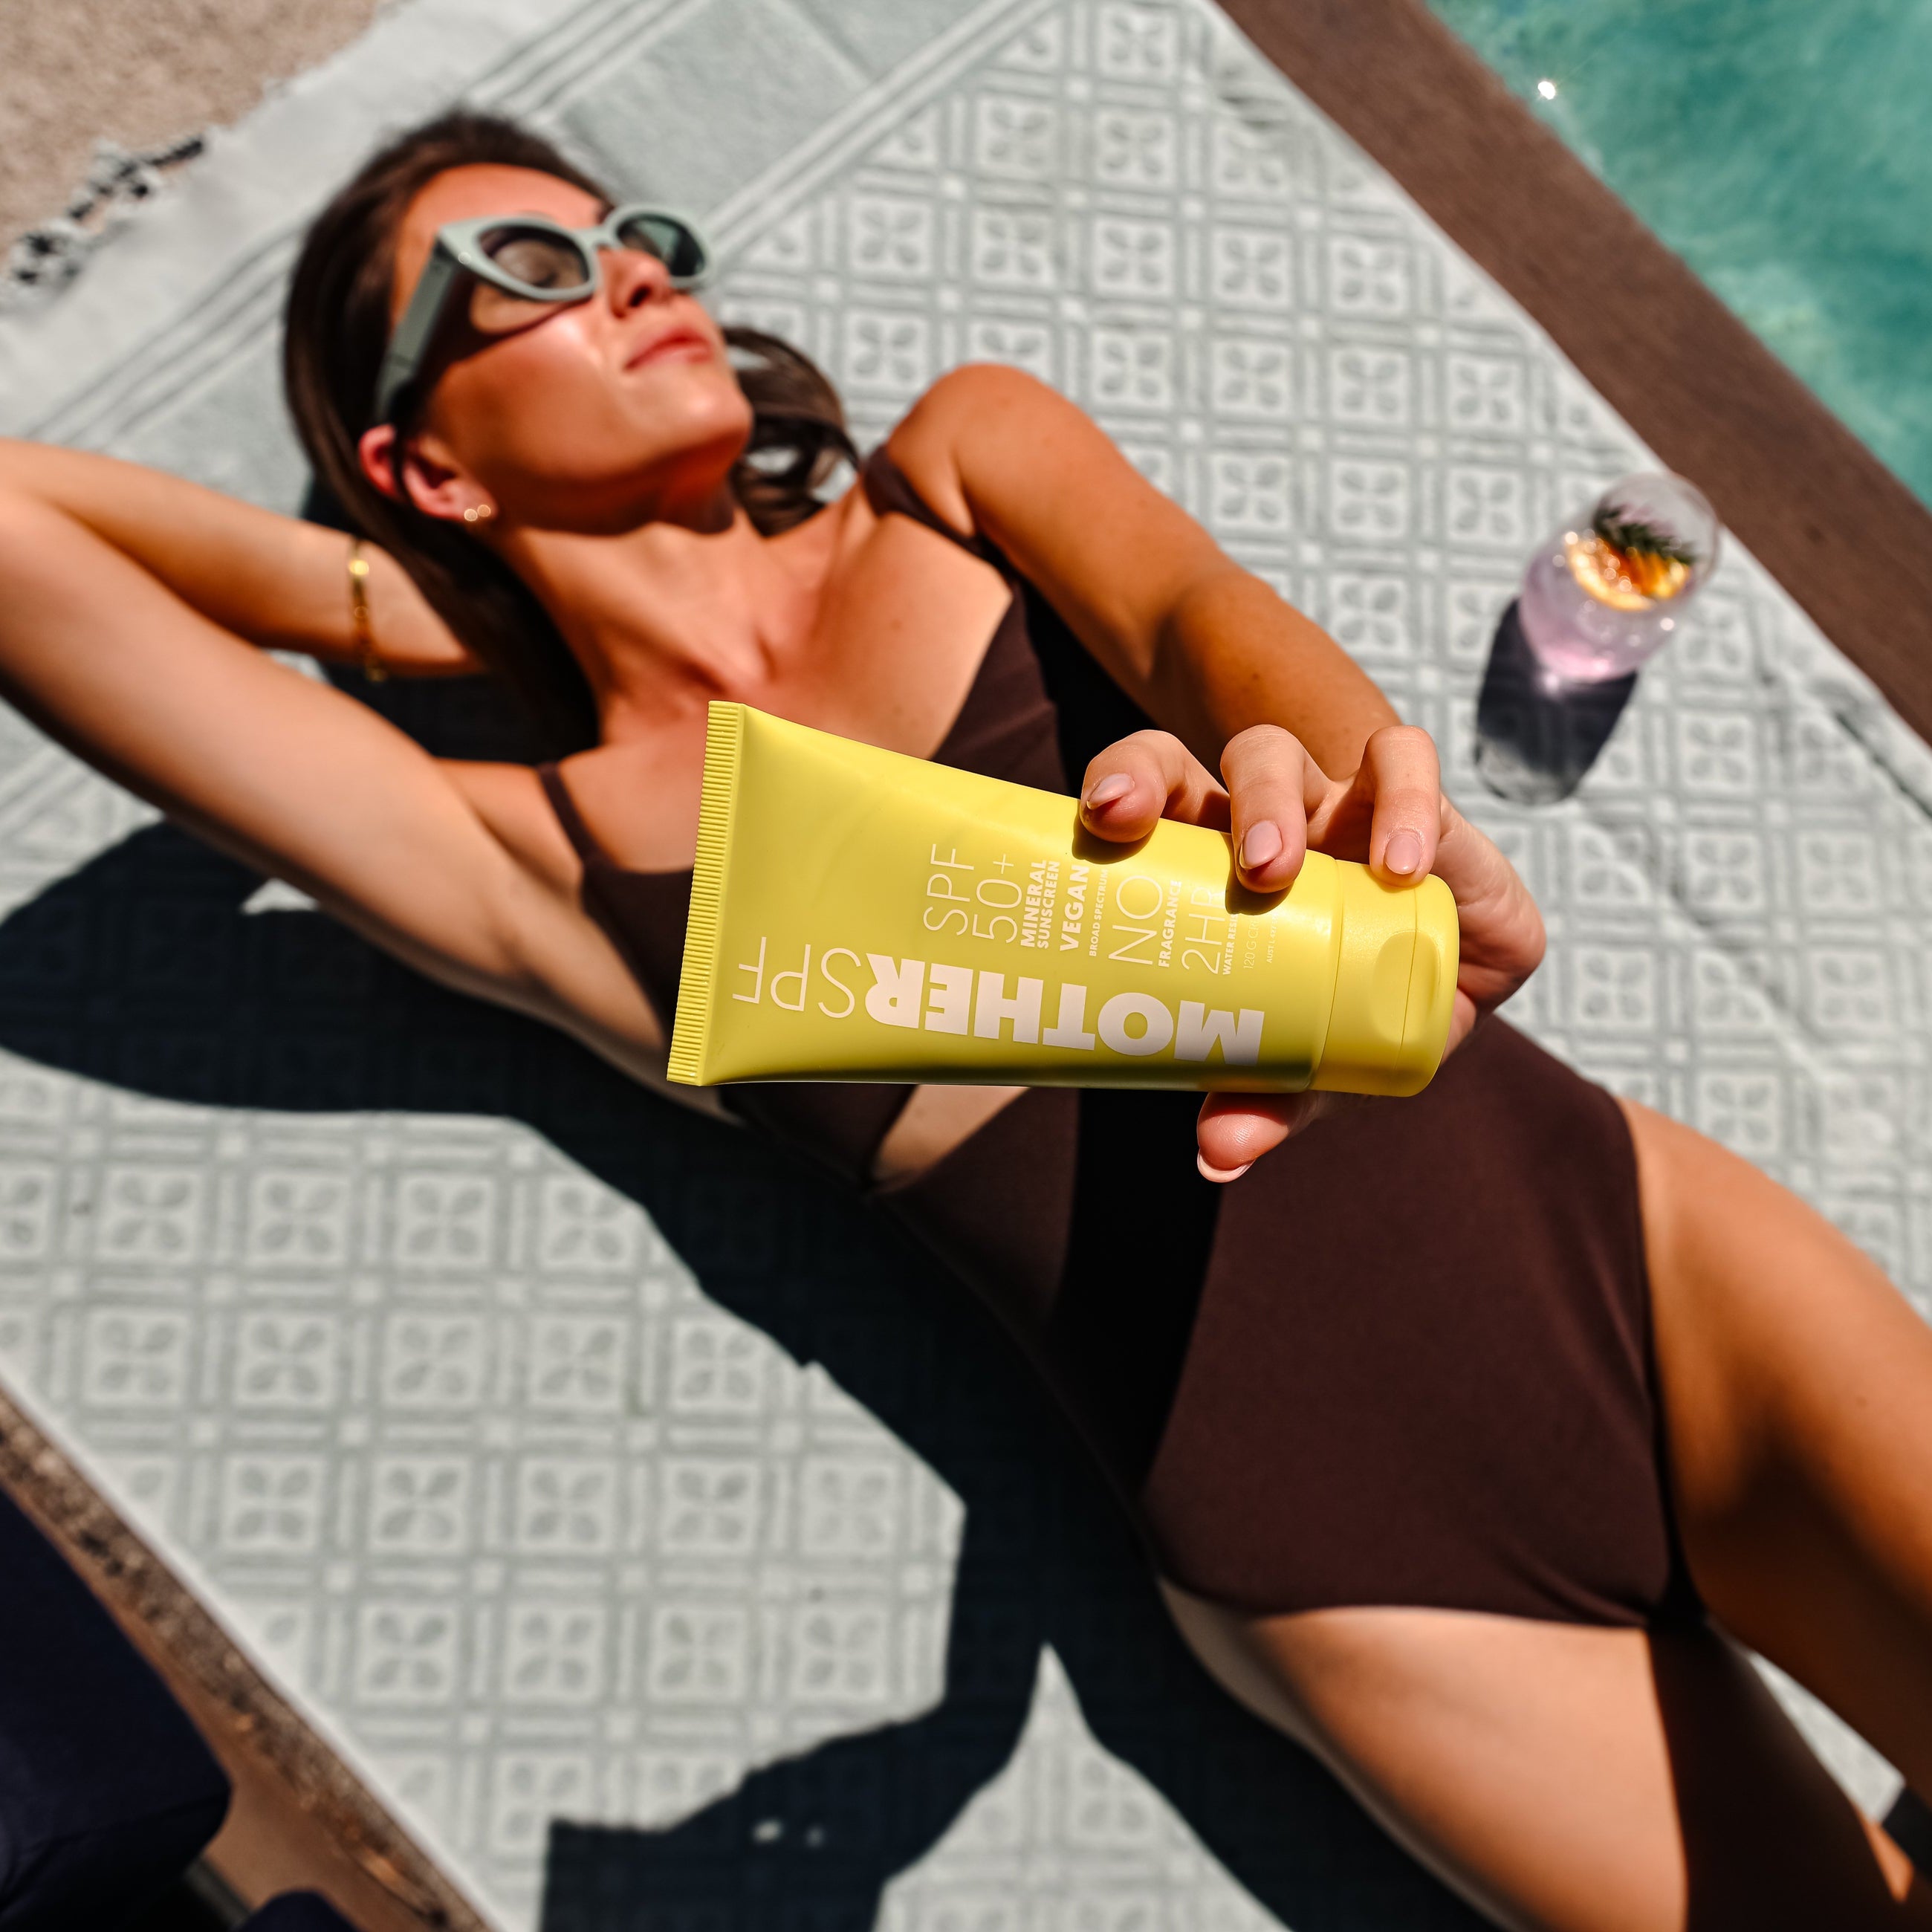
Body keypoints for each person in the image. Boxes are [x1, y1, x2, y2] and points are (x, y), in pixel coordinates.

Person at [0, 108, 1928, 1931]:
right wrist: (411, 590)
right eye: (529, 261)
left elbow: (1198, 617)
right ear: (421, 454)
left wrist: (1324, 768)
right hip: (1354, 1566)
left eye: (639, 237)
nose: (634, 271)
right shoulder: (546, 862)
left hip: (1628, 1268)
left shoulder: (956, 472)